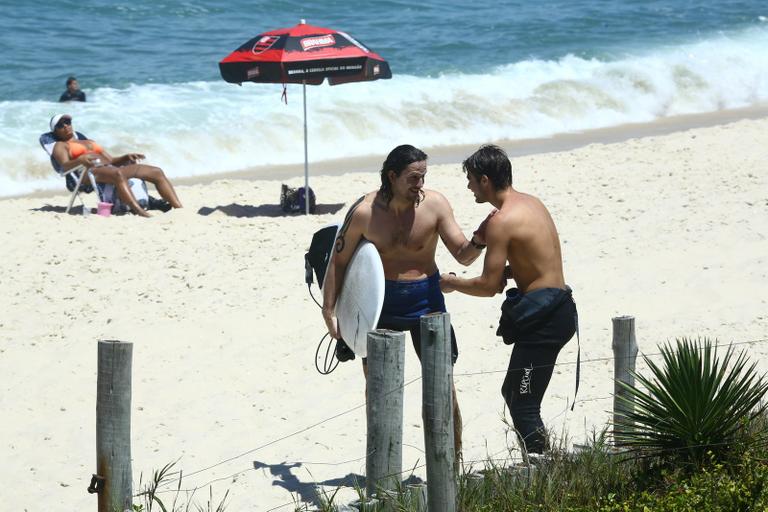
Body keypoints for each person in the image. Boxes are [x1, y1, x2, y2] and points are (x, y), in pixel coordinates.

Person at [322, 144, 494, 461]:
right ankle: (383, 464)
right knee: (378, 390)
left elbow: (463, 255)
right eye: (414, 178)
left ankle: (451, 461)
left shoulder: (435, 205)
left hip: (426, 301)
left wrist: (479, 240)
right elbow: (338, 261)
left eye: (423, 176)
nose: (420, 185)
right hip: (378, 304)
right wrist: (329, 310)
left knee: (443, 385)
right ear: (392, 176)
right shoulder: (364, 212)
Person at [439, 144, 577, 455]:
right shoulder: (532, 203)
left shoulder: (502, 220)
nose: (469, 186)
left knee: (522, 402)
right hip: (559, 306)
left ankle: (544, 469)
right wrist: (511, 271)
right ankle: (541, 464)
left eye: (471, 179)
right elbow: (539, 260)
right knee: (514, 393)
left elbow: (489, 287)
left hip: (546, 318)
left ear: (485, 180)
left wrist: (452, 283)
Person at [49, 114, 182, 217]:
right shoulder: (60, 146)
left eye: (68, 122)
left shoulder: (88, 141)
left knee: (156, 171)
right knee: (118, 174)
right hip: (88, 173)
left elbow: (111, 160)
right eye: (61, 125)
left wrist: (125, 157)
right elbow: (64, 166)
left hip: (109, 169)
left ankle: (178, 208)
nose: (66, 126)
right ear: (55, 131)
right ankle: (140, 212)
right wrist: (81, 160)